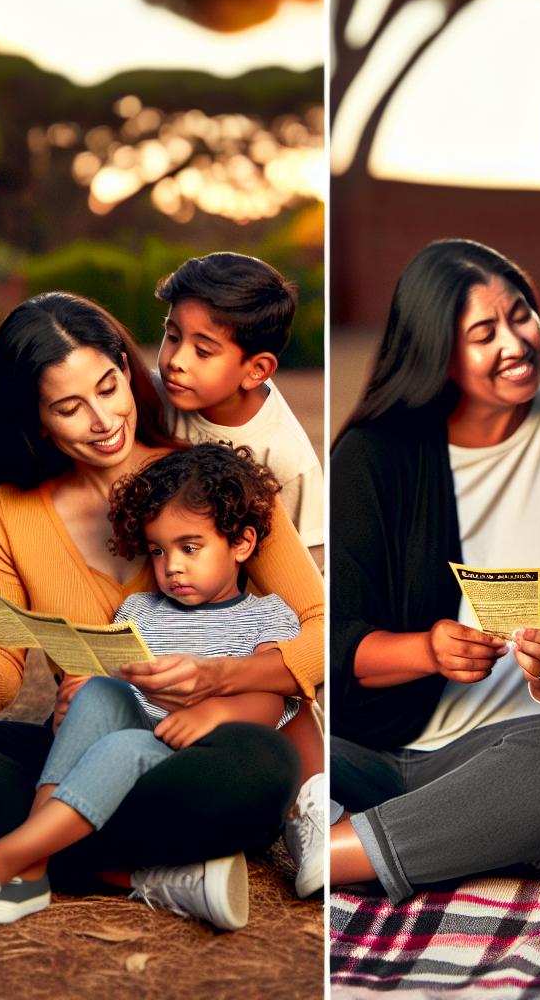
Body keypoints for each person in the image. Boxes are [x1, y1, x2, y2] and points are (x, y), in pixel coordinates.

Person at [0, 293, 324, 927]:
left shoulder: (212, 485)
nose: (103, 420)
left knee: (263, 769)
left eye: (109, 387)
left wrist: (219, 684)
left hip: (196, 757)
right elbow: (1, 681)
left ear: (129, 372)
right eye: (70, 407)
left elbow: (319, 627)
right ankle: (131, 871)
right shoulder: (13, 512)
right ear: (38, 420)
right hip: (78, 749)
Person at [328, 239, 540, 903]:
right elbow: (335, 641)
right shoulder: (373, 455)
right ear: (437, 351)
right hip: (369, 755)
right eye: (483, 333)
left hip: (518, 747)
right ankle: (519, 843)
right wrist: (427, 650)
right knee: (269, 735)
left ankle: (326, 853)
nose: (515, 342)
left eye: (520, 315)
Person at [0, 443, 299, 938]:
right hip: (120, 762)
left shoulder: (267, 616)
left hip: (197, 774)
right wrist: (76, 698)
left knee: (228, 757)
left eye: (190, 547)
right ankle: (35, 868)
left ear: (241, 543)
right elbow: (114, 697)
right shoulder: (140, 611)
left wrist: (212, 716)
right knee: (97, 693)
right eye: (158, 551)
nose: (172, 566)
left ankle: (2, 858)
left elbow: (270, 701)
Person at [154, 252, 328, 896]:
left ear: (255, 369)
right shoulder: (155, 401)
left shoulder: (286, 456)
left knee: (285, 664)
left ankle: (311, 809)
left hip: (247, 610)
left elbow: (302, 587)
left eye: (203, 349)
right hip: (170, 593)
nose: (176, 359)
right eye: (172, 335)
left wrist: (253, 660)